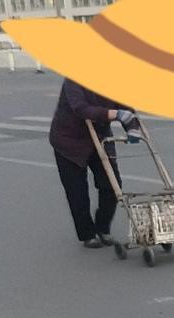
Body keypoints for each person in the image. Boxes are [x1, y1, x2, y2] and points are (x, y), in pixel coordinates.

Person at [48, 78, 135, 249]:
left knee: (112, 184)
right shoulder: (73, 81)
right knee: (77, 191)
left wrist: (132, 126)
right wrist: (116, 114)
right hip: (69, 142)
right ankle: (87, 234)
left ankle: (103, 228)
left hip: (100, 138)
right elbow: (81, 108)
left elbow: (125, 106)